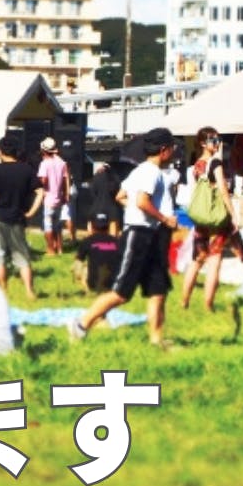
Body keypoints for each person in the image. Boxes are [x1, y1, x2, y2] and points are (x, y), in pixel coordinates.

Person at [68, 127, 179, 348]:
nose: (174, 152)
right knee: (121, 293)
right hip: (139, 236)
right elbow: (141, 201)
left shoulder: (140, 171)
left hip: (152, 235)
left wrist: (141, 213)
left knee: (158, 290)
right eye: (173, 148)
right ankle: (81, 324)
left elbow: (121, 196)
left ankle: (157, 340)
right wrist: (164, 219)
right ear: (164, 150)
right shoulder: (151, 172)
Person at [180, 127, 241, 311]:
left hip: (200, 217)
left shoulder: (196, 166)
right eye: (213, 140)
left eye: (218, 140)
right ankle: (208, 305)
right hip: (215, 218)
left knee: (197, 260)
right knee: (215, 260)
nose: (217, 143)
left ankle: (184, 301)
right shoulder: (215, 164)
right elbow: (223, 190)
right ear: (202, 143)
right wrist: (233, 214)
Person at [0, 135, 43, 299]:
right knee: (22, 257)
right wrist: (31, 212)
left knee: (0, 256)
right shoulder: (27, 170)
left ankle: (3, 291)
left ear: (0, 151)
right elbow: (40, 192)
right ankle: (29, 291)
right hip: (18, 218)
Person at [37, 137, 71, 254]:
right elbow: (66, 179)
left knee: (48, 225)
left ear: (43, 150)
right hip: (59, 198)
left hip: (48, 198)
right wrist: (66, 194)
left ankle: (50, 249)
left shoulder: (44, 164)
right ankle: (60, 248)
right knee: (58, 225)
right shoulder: (62, 163)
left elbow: (44, 180)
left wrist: (39, 185)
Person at [74, 214, 121, 293]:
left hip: (93, 285)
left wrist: (78, 277)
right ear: (108, 226)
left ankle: (87, 289)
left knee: (84, 266)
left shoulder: (87, 241)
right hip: (114, 285)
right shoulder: (117, 241)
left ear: (92, 226)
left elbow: (77, 264)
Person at [88, 161, 122, 237]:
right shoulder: (115, 177)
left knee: (93, 234)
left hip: (96, 207)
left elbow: (92, 192)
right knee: (113, 236)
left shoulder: (96, 176)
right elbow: (117, 192)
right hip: (112, 208)